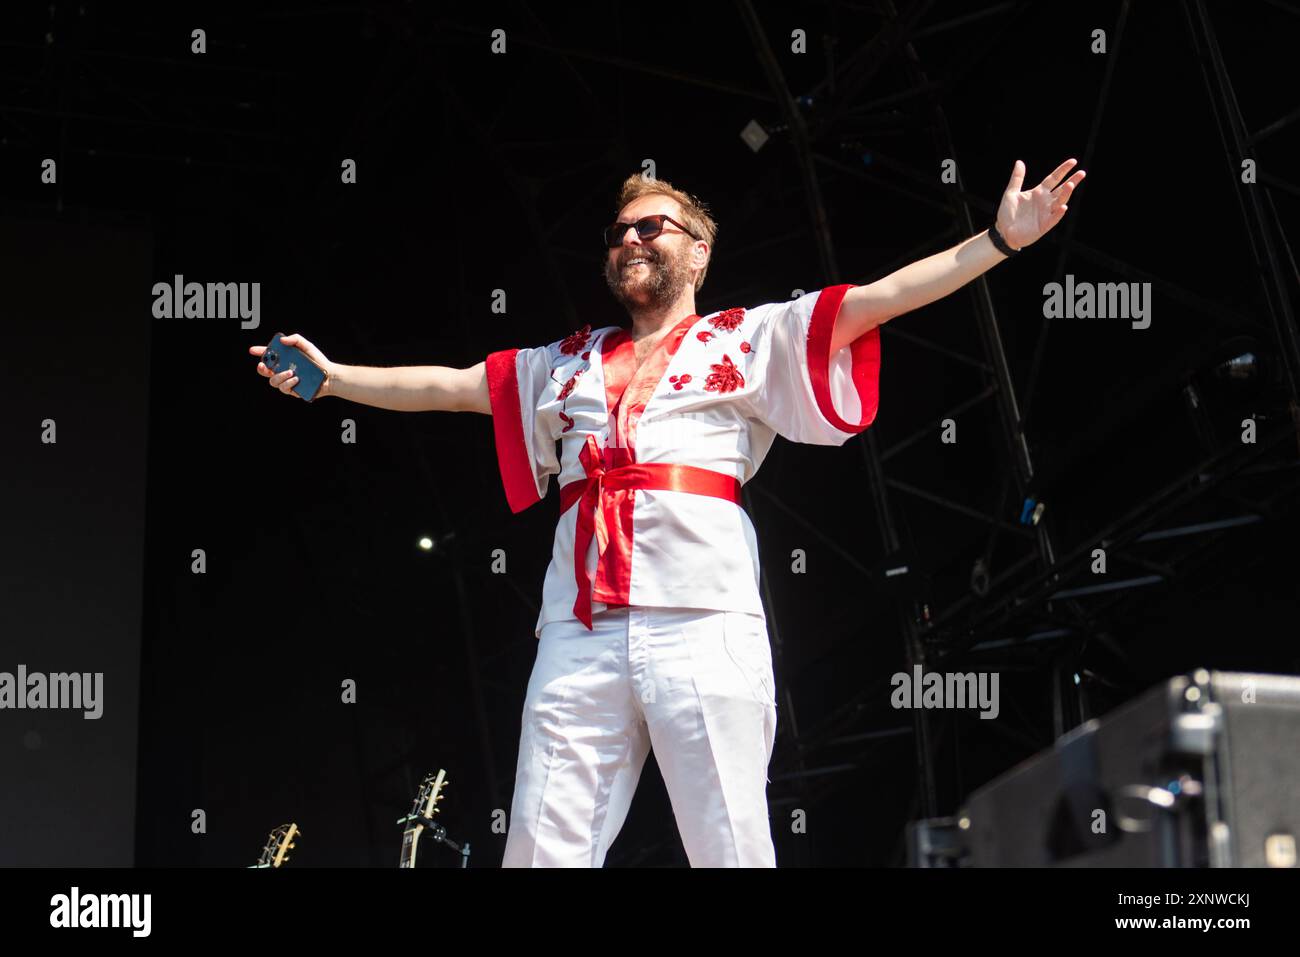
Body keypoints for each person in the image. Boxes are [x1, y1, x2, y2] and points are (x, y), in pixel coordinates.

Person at [250, 160, 1085, 866]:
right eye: (618, 233)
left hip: (703, 618)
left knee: (730, 843)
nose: (631, 240)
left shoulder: (747, 336)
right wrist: (338, 377)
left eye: (652, 226)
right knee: (540, 848)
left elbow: (881, 297)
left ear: (699, 248)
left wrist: (1001, 240)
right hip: (579, 632)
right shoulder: (565, 361)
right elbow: (454, 385)